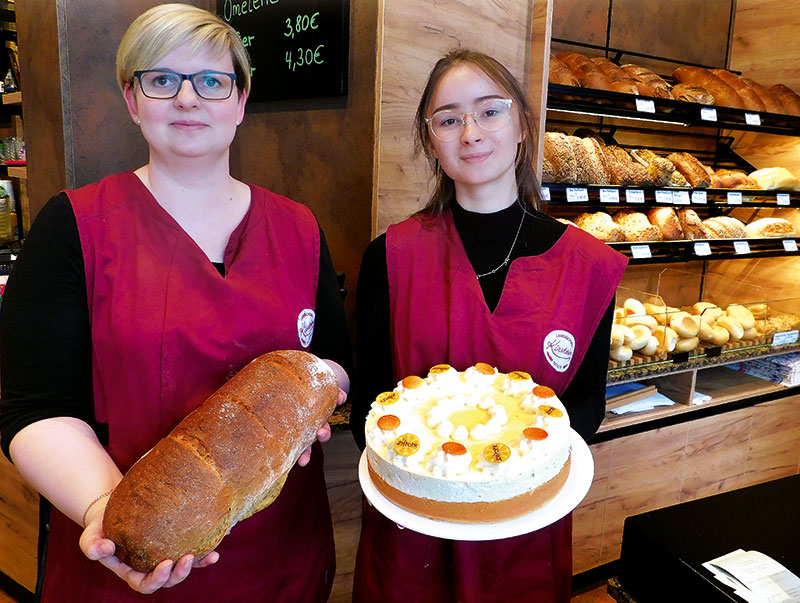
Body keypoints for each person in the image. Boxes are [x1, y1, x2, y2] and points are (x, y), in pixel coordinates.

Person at [0, 4, 351, 601]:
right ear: (133, 100)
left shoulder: (299, 227)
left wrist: (312, 400)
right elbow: (33, 410)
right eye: (162, 80)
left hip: (282, 561)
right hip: (120, 565)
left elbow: (336, 362)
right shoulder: (74, 227)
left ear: (240, 102)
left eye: (212, 82)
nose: (188, 99)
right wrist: (106, 513)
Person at [350, 49, 627, 602]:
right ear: (431, 140)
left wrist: (504, 487)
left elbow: (588, 406)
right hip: (411, 537)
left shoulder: (588, 265)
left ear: (522, 123)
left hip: (525, 536)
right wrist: (438, 487)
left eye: (490, 111)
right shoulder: (389, 257)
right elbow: (369, 411)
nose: (471, 133)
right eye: (448, 119)